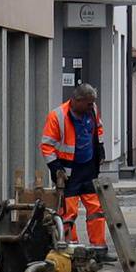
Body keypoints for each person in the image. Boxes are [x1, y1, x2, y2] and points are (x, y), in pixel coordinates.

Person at [41, 83, 108, 252]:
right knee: (68, 213)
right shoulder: (57, 116)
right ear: (77, 101)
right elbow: (47, 145)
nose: (91, 106)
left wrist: (100, 147)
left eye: (93, 102)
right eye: (88, 103)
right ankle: (72, 249)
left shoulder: (91, 110)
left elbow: (98, 128)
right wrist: (56, 168)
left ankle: (98, 247)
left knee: (96, 210)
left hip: (88, 169)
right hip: (68, 173)